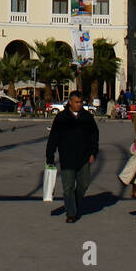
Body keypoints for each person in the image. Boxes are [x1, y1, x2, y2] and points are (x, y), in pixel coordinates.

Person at [46, 90, 99, 223]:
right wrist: (50, 157)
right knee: (68, 187)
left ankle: (72, 203)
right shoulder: (61, 118)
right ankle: (71, 213)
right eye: (76, 102)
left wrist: (93, 152)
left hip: (83, 158)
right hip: (67, 158)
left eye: (81, 102)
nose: (79, 105)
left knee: (84, 183)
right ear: (70, 102)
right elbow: (53, 138)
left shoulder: (87, 117)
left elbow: (94, 136)